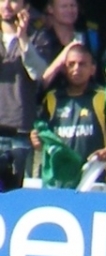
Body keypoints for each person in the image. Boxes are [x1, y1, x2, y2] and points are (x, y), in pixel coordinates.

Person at [31, 44, 106, 179]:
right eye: (71, 64)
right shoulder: (52, 98)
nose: (76, 69)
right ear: (64, 69)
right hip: (59, 177)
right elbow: (41, 134)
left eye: (82, 64)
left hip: (95, 175)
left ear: (92, 69)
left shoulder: (104, 96)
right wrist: (36, 139)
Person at [0, 0, 47, 189]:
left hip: (21, 130)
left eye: (13, 1)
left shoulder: (39, 37)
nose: (7, 5)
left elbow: (39, 73)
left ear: (25, 7)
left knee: (18, 192)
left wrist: (23, 39)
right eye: (2, 0)